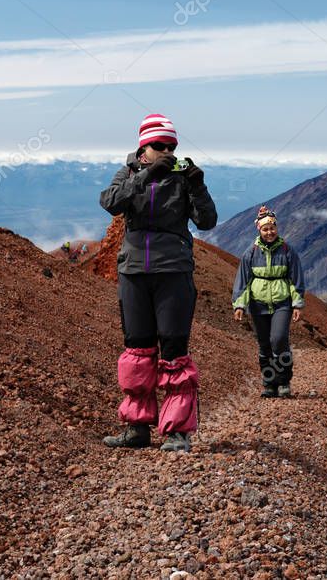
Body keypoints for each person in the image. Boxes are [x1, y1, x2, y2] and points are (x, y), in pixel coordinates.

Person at [98, 113, 217, 452]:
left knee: (174, 350)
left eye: (171, 146)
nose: (166, 150)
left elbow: (206, 221)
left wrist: (198, 185)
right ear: (143, 147)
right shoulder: (130, 173)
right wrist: (149, 175)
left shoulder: (182, 177)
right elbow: (110, 202)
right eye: (158, 145)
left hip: (174, 273)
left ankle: (178, 432)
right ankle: (137, 428)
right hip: (134, 272)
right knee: (138, 349)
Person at [232, 206, 305, 398]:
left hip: (282, 303)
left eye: (272, 228)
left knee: (278, 340)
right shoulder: (251, 253)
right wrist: (239, 305)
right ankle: (269, 383)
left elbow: (295, 279)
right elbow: (243, 281)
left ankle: (283, 381)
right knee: (264, 345)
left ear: (276, 227)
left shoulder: (288, 251)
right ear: (259, 230)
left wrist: (297, 304)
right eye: (265, 229)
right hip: (258, 305)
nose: (269, 232)